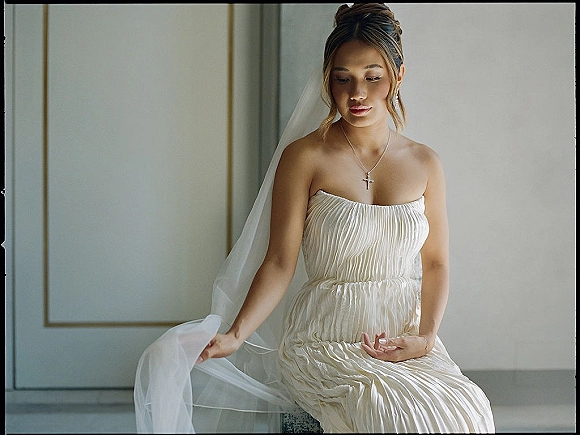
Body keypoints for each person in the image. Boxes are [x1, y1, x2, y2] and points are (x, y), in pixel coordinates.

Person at [134, 3, 496, 433]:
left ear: (398, 74)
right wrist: (235, 334)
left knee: (467, 412)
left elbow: (436, 263)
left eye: (372, 77)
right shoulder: (305, 157)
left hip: (402, 333)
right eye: (342, 78)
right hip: (326, 335)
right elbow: (279, 262)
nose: (356, 93)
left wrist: (426, 337)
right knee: (384, 415)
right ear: (328, 78)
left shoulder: (425, 163)